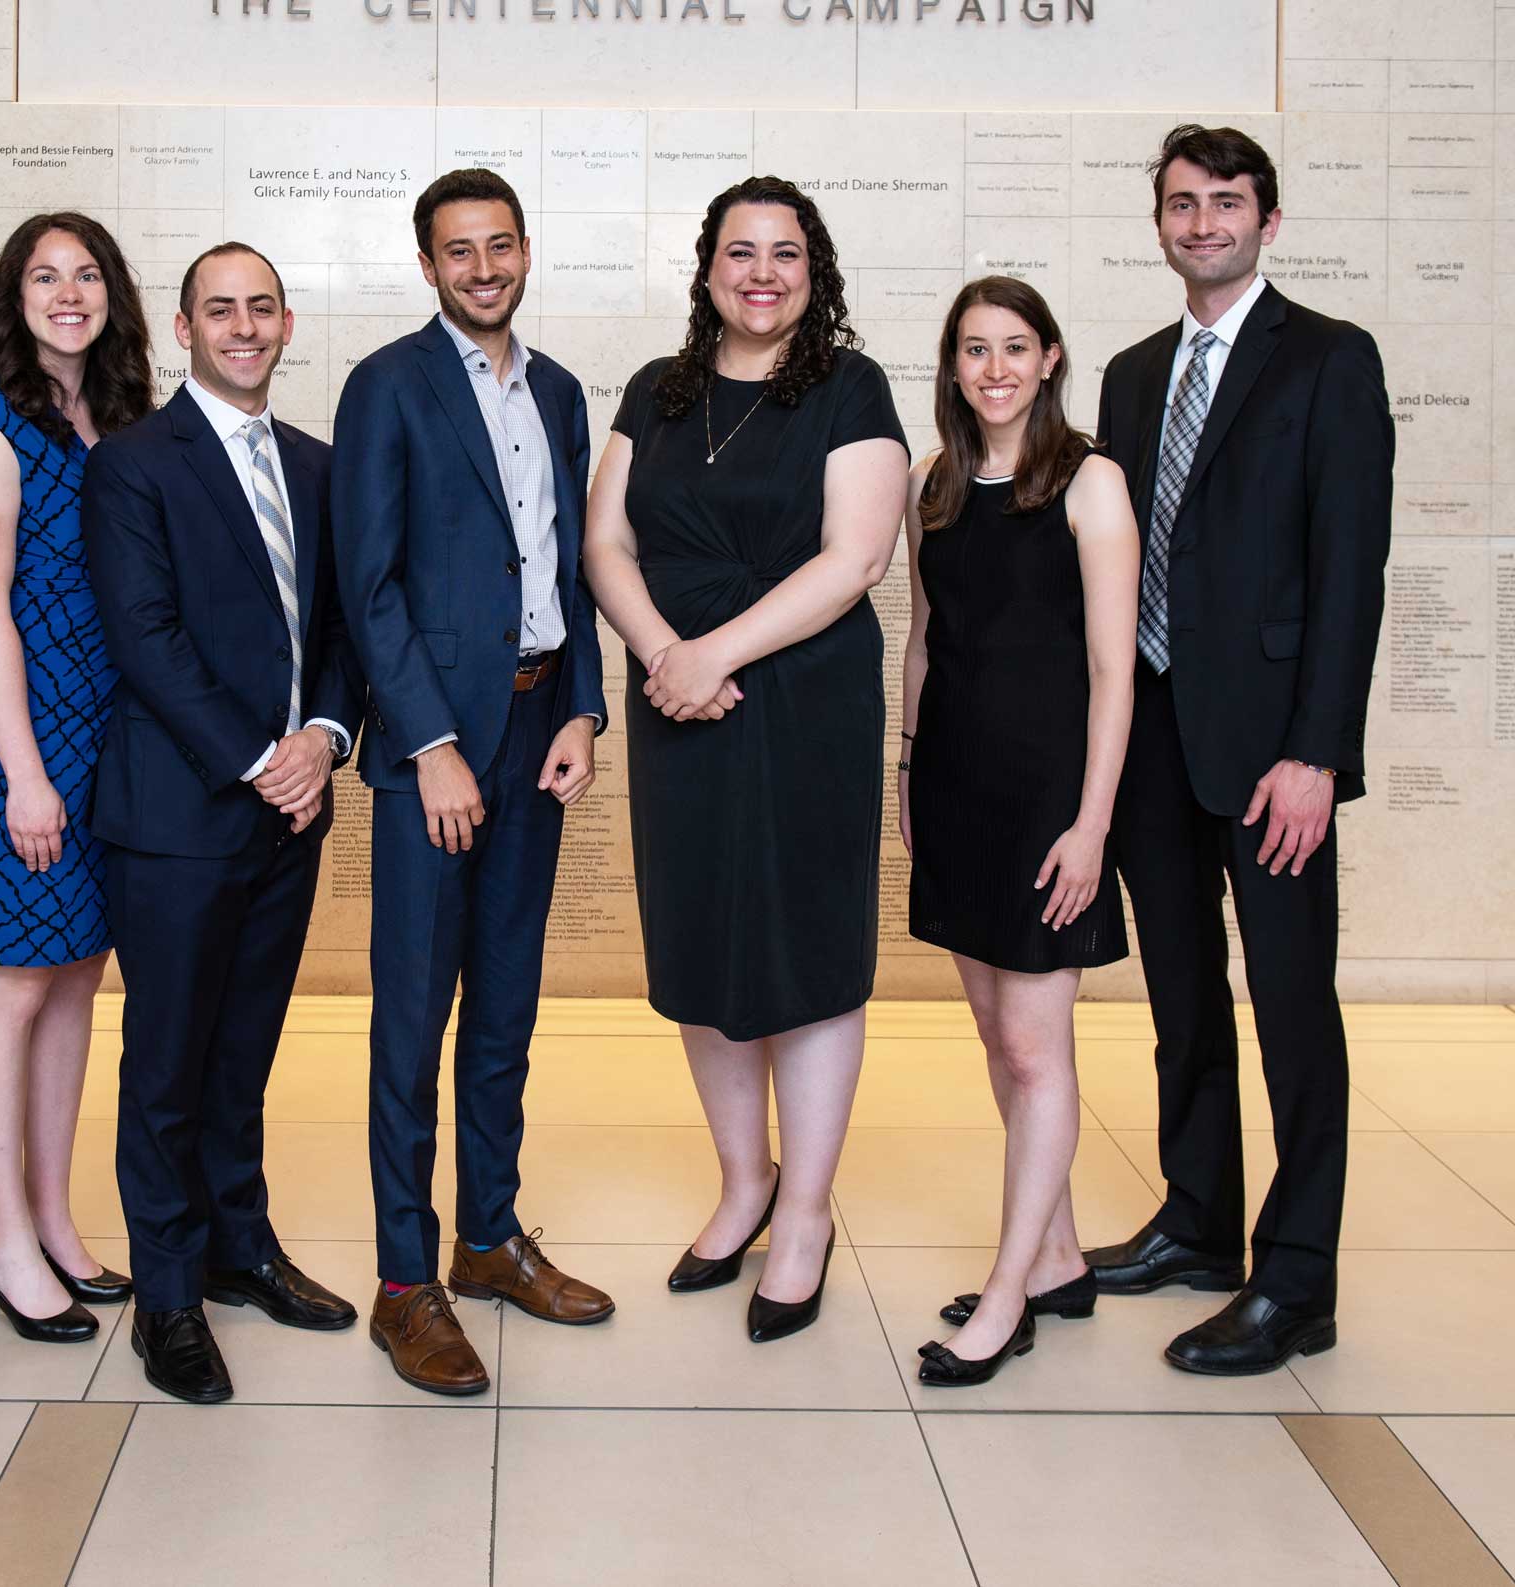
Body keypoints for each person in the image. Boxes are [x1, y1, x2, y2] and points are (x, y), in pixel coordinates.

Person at [583, 175, 907, 1344]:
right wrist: (664, 655)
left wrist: (711, 651)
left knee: (805, 950)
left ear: (812, 274)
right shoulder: (655, 391)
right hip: (678, 701)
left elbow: (855, 558)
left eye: (784, 254)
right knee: (701, 942)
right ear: (706, 269)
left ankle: (805, 1214)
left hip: (802, 699)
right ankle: (743, 1184)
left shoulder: (849, 387)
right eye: (739, 251)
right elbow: (603, 541)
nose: (759, 274)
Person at [1090, 124, 1392, 1375]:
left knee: (1289, 1004)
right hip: (1151, 735)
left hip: (1272, 752)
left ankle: (1297, 1279)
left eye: (1224, 203)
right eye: (1181, 203)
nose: (1201, 222)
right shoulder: (1128, 373)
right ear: (1157, 221)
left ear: (1266, 221)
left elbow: (1348, 568)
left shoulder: (1326, 357)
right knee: (1178, 992)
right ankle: (1199, 1223)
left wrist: (1315, 753)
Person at [333, 168, 613, 1397]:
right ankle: (405, 1282)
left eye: (500, 246)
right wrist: (428, 744)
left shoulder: (557, 391)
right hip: (435, 751)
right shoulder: (386, 386)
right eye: (459, 251)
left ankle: (487, 1237)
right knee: (412, 1021)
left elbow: (574, 564)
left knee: (504, 1009)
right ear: (426, 264)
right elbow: (367, 586)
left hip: (538, 729)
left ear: (526, 250)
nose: (483, 268)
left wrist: (585, 706)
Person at [82, 242, 365, 1404]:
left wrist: (324, 739)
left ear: (286, 323)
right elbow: (144, 637)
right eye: (219, 310)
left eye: (260, 308)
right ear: (184, 330)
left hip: (289, 816)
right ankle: (167, 1297)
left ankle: (238, 1248)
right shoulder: (132, 465)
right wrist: (261, 759)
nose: (242, 327)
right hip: (177, 818)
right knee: (167, 1066)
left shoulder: (318, 466)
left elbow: (341, 627)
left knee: (242, 1054)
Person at [900, 277, 1139, 1386]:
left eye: (1013, 348)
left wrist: (1092, 825)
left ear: (1049, 359)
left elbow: (1111, 673)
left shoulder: (1091, 482)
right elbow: (923, 640)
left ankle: (1007, 1298)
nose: (993, 369)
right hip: (955, 787)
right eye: (972, 349)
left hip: (1049, 801)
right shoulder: (933, 483)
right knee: (1001, 1042)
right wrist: (907, 775)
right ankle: (1055, 1260)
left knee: (1038, 1051)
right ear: (952, 367)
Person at [0, 212, 154, 1342]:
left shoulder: (115, 413)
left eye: (86, 275)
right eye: (44, 276)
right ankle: (3, 1238)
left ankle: (56, 1220)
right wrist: (24, 775)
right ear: (11, 297)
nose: (68, 292)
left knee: (75, 977)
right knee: (14, 981)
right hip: (16, 736)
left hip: (106, 735)